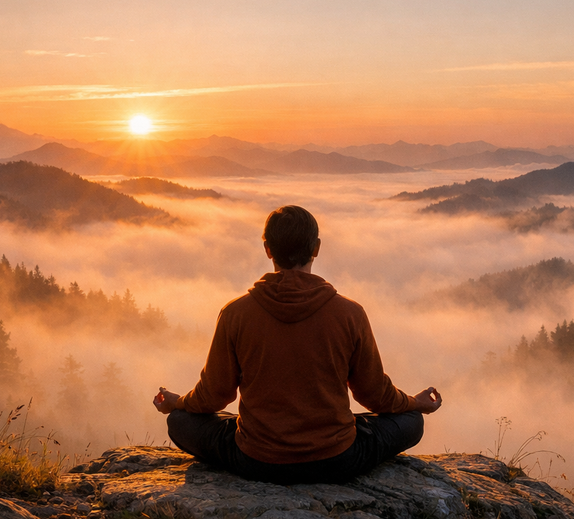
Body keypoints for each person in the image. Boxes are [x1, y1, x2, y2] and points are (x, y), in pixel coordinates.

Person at [153, 205, 441, 485]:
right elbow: (375, 394)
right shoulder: (350, 314)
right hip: (336, 459)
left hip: (257, 459)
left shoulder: (236, 314)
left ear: (268, 249)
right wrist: (414, 403)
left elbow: (213, 395)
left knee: (179, 421)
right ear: (316, 248)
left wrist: (178, 403)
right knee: (411, 422)